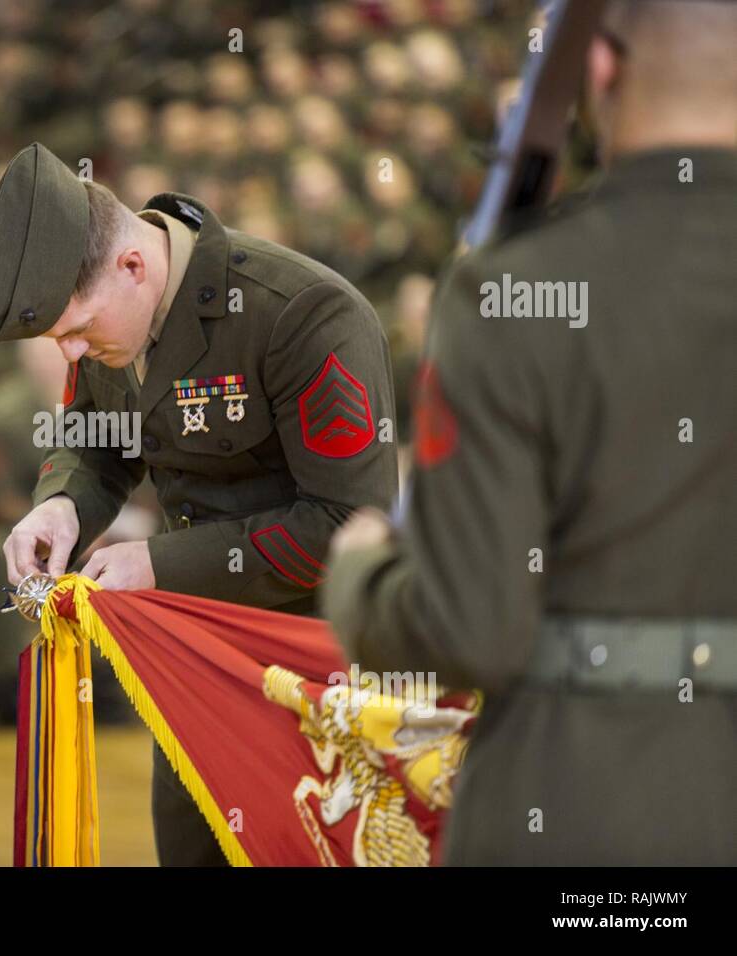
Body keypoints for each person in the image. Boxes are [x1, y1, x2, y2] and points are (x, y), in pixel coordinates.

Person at [323, 0, 737, 865]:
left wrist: (361, 575)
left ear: (602, 71)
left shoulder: (517, 288)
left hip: (577, 810)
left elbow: (469, 627)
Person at [0, 143, 398, 865]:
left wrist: (160, 564)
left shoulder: (301, 313)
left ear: (133, 266)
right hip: (193, 666)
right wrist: (62, 505)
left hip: (319, 676)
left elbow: (346, 526)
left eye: (76, 330)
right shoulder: (113, 324)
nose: (69, 356)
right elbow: (96, 444)